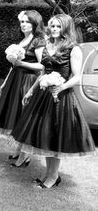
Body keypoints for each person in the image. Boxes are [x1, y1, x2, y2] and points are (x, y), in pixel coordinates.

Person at [10, 14, 96, 188]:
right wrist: (31, 91)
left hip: (61, 99)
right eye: (52, 26)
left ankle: (53, 176)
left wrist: (61, 87)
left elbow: (77, 77)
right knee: (45, 136)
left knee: (55, 137)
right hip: (42, 97)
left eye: (58, 26)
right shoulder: (47, 45)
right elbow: (43, 72)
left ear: (65, 28)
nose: (54, 29)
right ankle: (48, 174)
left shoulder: (73, 49)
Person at [0, 10, 45, 167]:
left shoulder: (38, 41)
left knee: (23, 116)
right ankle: (19, 151)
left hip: (28, 80)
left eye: (27, 22)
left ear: (35, 23)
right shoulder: (22, 41)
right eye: (22, 22)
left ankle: (25, 155)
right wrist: (6, 81)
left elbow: (42, 65)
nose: (23, 24)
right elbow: (14, 65)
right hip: (16, 79)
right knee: (15, 116)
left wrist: (21, 64)